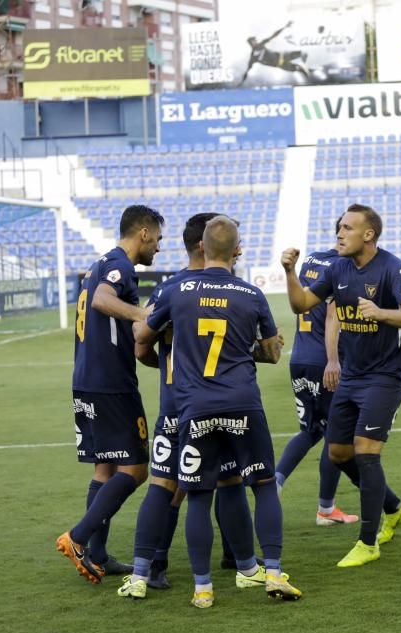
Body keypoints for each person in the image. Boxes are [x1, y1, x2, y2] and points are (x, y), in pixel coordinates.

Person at [137, 216, 301, 608]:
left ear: (201, 249)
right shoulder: (251, 294)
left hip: (194, 407)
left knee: (197, 496)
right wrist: (255, 348)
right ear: (237, 250)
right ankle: (272, 572)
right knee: (261, 486)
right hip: (243, 402)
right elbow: (273, 352)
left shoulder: (177, 292)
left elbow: (142, 338)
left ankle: (203, 588)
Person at [282, 203, 401, 568]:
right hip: (352, 374)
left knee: (366, 451)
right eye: (339, 228)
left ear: (368, 234)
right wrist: (290, 271)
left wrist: (382, 313)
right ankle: (394, 508)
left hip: (384, 376)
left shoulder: (392, 267)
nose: (339, 234)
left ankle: (368, 540)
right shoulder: (337, 268)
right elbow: (301, 304)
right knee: (338, 453)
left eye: (347, 228)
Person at [118, 212, 238, 598]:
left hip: (174, 403)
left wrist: (170, 367)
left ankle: (152, 565)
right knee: (227, 477)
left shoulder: (168, 289)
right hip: (221, 400)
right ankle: (238, 558)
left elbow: (141, 346)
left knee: (165, 483)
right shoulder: (232, 289)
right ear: (206, 244)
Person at [57, 205, 164, 584]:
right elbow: (103, 300)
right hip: (111, 383)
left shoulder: (99, 262)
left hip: (86, 378)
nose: (159, 249)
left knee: (105, 467)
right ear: (144, 234)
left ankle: (97, 553)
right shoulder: (120, 264)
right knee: (135, 469)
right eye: (158, 239)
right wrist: (142, 315)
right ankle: (79, 537)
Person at [275, 219, 357, 526]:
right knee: (336, 435)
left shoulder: (311, 259)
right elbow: (335, 315)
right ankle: (326, 509)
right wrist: (334, 360)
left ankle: (275, 483)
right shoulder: (342, 267)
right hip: (326, 360)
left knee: (310, 430)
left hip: (299, 357)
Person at [238, 20, 310, 86]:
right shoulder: (253, 58)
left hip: (283, 56)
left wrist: (284, 27)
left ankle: (306, 63)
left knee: (301, 53)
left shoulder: (261, 44)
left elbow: (273, 35)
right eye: (254, 41)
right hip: (281, 65)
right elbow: (247, 70)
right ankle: (310, 75)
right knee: (299, 69)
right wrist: (241, 83)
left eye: (255, 40)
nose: (256, 41)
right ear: (251, 44)